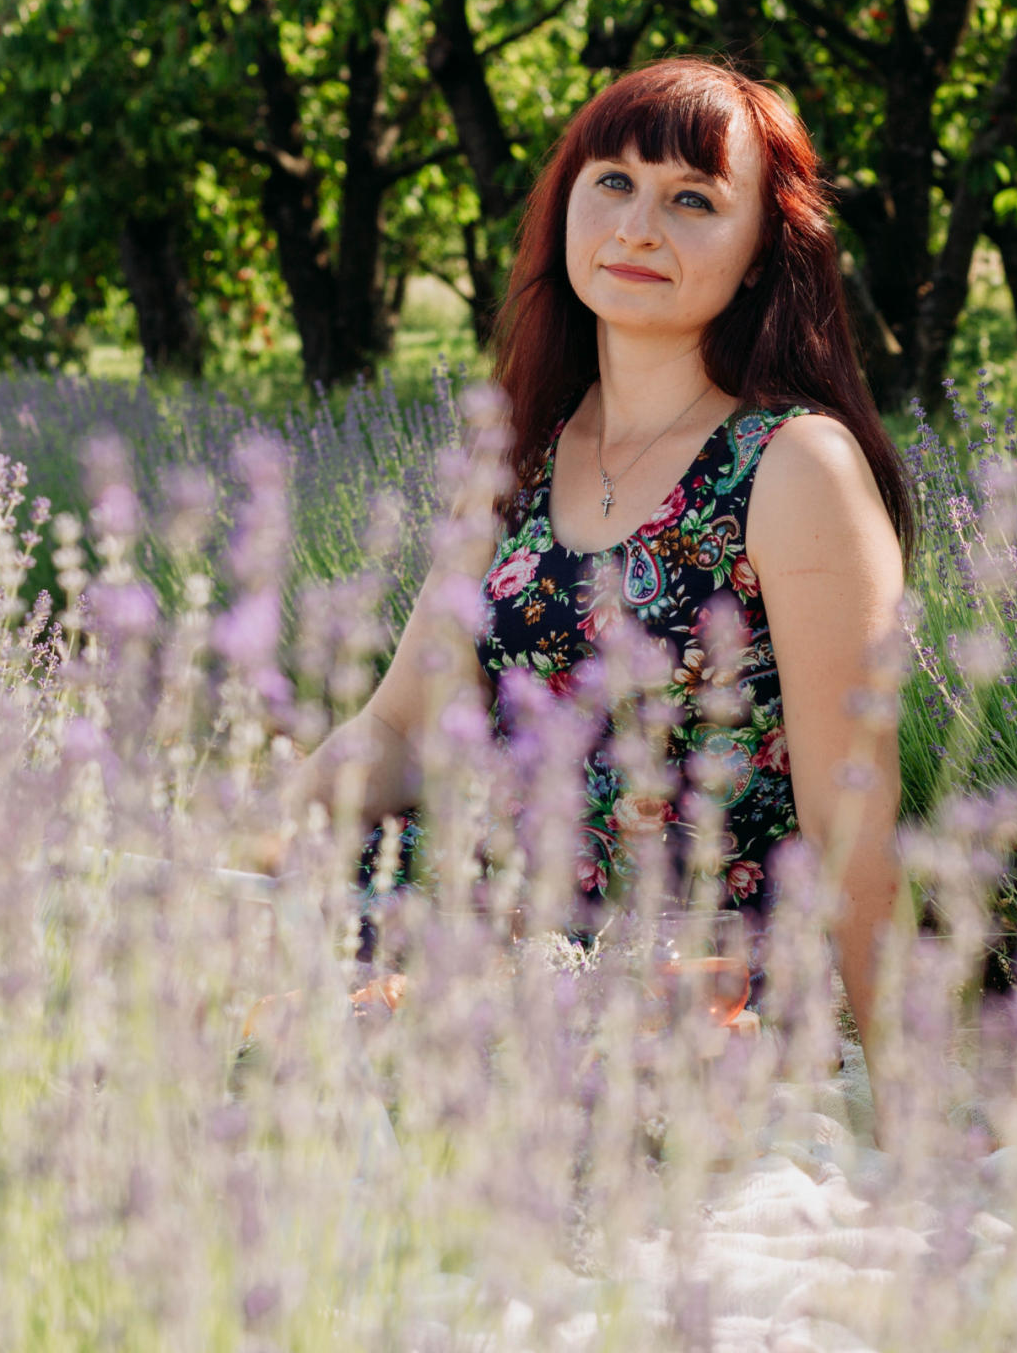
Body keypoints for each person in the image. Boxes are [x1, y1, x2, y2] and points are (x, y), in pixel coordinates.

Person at [300, 57, 913, 1059]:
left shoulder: (796, 466)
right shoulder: (519, 452)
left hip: (678, 984)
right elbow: (402, 731)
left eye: (692, 200)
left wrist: (909, 1100)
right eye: (614, 183)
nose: (637, 228)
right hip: (465, 935)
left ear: (763, 249)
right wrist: (217, 848)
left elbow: (853, 820)